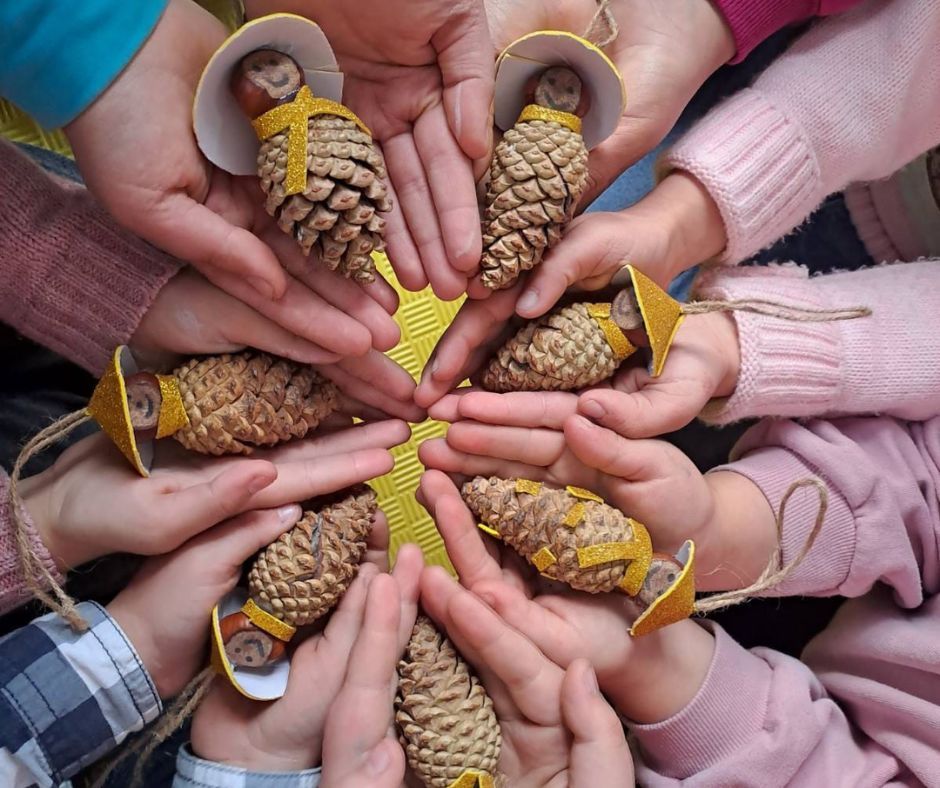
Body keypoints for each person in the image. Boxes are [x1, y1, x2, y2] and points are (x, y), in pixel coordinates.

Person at [418, 391, 940, 786]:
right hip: (806, 547)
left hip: (748, 744)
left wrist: (656, 666)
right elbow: (925, 472)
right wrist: (727, 528)